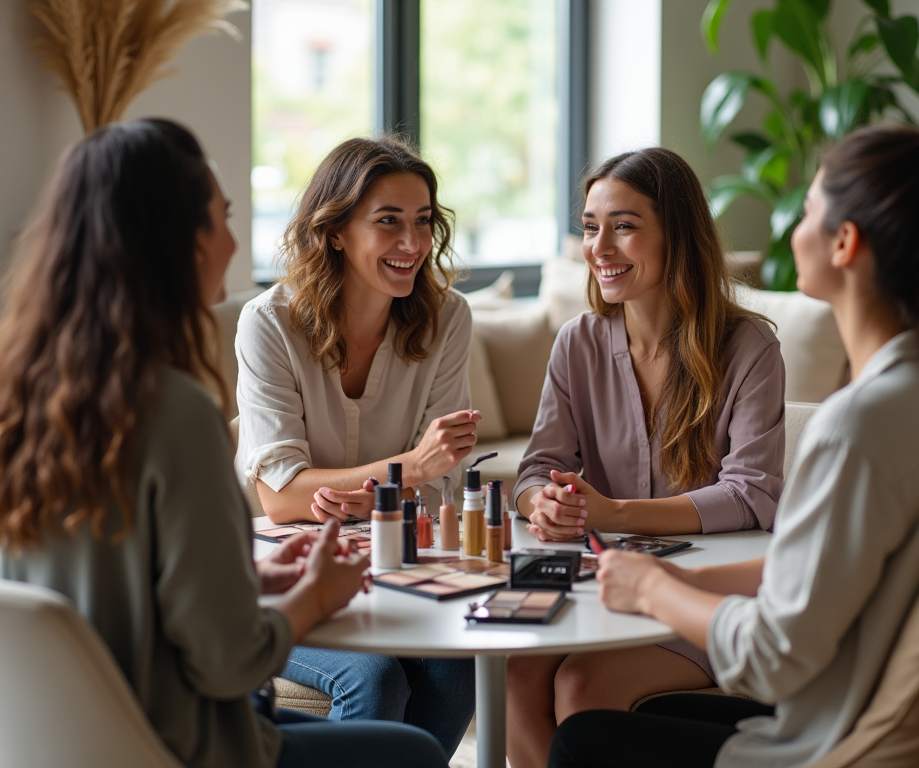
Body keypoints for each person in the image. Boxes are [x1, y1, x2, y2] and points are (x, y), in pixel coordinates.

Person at [547, 117, 919, 768]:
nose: (794, 229)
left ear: (844, 243)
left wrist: (655, 594)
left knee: (583, 738)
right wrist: (669, 574)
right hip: (857, 711)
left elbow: (771, 659)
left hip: (821, 742)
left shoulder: (857, 428)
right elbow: (823, 569)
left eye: (806, 210)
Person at [0, 119, 449, 768]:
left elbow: (104, 587)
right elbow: (228, 661)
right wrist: (314, 597)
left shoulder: (23, 402)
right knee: (411, 755)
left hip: (69, 743)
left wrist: (253, 576)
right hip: (184, 745)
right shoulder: (176, 412)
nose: (233, 241)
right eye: (221, 218)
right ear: (174, 242)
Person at [507, 147, 786, 768]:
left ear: (677, 236)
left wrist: (613, 512)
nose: (600, 247)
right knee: (520, 671)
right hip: (598, 588)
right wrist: (545, 503)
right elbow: (533, 470)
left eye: (624, 226)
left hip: (706, 598)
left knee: (581, 685)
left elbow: (753, 494)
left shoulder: (748, 348)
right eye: (589, 226)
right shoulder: (576, 343)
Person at [234, 136, 475, 755]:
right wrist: (408, 468)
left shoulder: (448, 319)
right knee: (373, 676)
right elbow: (281, 496)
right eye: (388, 222)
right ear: (335, 231)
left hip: (396, 566)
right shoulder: (269, 323)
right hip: (289, 574)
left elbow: (445, 480)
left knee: (460, 665)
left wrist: (374, 487)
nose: (413, 244)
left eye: (422, 222)